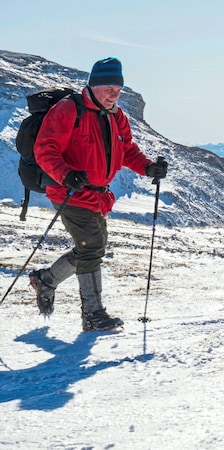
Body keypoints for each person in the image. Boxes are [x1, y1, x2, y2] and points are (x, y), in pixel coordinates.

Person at [28, 57, 169, 331]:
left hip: (97, 196)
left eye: (118, 88)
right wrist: (66, 174)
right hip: (68, 191)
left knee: (92, 247)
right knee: (91, 246)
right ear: (93, 85)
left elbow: (127, 150)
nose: (113, 93)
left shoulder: (117, 116)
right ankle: (93, 315)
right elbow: (45, 149)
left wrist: (149, 167)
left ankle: (46, 280)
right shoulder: (69, 110)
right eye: (108, 87)